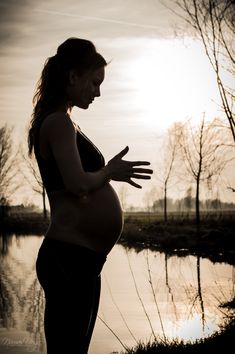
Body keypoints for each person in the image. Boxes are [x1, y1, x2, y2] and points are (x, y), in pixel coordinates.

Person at [28, 37, 153, 354]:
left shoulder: (65, 122)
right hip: (68, 258)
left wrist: (108, 172)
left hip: (81, 260)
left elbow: (84, 180)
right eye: (94, 82)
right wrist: (108, 172)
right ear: (73, 77)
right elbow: (77, 184)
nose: (97, 92)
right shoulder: (58, 123)